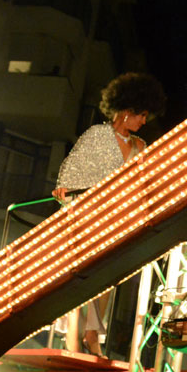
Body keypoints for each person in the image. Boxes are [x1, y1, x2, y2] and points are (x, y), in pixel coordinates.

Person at [51, 72, 166, 355]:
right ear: (127, 111)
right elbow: (69, 175)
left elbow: (143, 184)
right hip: (89, 216)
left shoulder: (140, 146)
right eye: (141, 115)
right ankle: (74, 339)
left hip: (117, 219)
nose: (143, 122)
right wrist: (65, 190)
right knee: (81, 277)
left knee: (106, 281)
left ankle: (92, 336)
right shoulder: (97, 136)